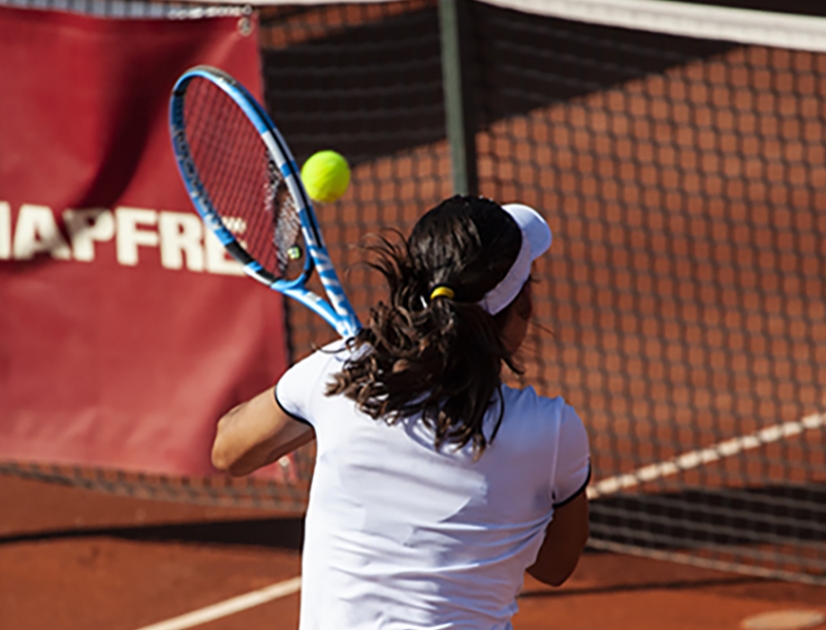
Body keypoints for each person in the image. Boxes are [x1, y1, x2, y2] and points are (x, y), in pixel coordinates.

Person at [212, 195, 591, 630]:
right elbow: (554, 566)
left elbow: (229, 450)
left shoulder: (338, 374)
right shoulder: (552, 432)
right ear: (522, 306)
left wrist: (337, 391)